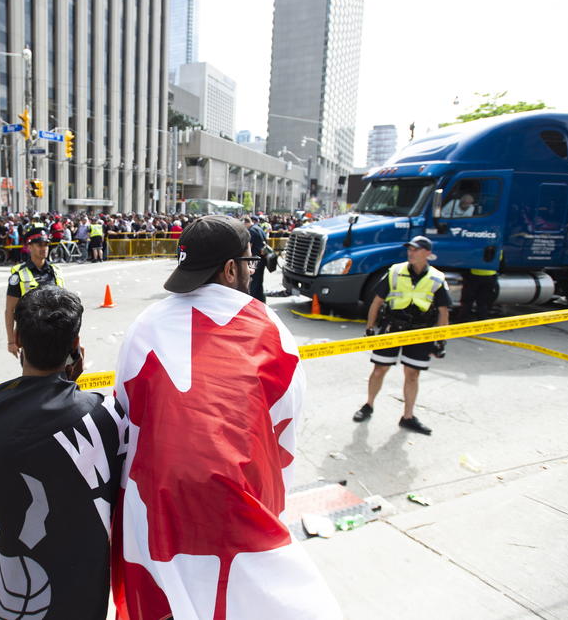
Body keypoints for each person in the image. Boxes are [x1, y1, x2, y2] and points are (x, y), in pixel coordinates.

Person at [111, 215, 340, 619]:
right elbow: (284, 428)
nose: (253, 272)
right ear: (230, 268)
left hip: (157, 501)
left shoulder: (143, 324)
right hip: (239, 497)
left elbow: (127, 413)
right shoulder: (268, 325)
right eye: (249, 263)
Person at [0, 286, 127, 620]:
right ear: (76, 347)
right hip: (81, 594)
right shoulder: (105, 416)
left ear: (18, 340)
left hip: (5, 599)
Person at [353, 235, 451, 435]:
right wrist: (370, 329)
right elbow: (377, 302)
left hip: (420, 332)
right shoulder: (395, 271)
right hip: (393, 327)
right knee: (379, 369)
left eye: (416, 249)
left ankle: (408, 417)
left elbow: (443, 312)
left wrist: (441, 340)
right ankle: (368, 405)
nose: (411, 252)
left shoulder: (437, 278)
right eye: (410, 249)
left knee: (412, 374)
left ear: (427, 254)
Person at [5, 228, 65, 357]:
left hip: (56, 334)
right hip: (30, 337)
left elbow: (65, 306)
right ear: (29, 247)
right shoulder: (19, 275)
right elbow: (9, 310)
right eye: (39, 245)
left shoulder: (56, 271)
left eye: (46, 244)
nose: (44, 248)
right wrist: (11, 342)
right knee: (34, 375)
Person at [244, 214, 267, 302]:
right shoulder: (259, 228)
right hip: (262, 259)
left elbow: (249, 248)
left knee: (252, 283)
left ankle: (252, 301)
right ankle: (261, 300)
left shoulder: (251, 231)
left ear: (245, 223)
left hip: (254, 260)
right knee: (259, 282)